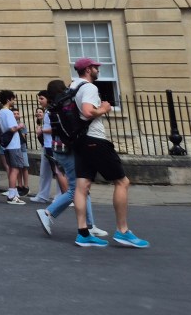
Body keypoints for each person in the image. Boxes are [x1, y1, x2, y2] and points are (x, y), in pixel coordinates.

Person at [71, 58, 149, 248]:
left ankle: (83, 233)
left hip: (79, 141)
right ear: (88, 69)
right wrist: (104, 108)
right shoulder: (88, 88)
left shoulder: (72, 87)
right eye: (96, 67)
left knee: (82, 186)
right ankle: (122, 231)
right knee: (122, 182)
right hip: (95, 140)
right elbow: (88, 112)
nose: (98, 69)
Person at [36, 79, 107, 241]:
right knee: (77, 189)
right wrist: (102, 109)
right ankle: (48, 213)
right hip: (69, 149)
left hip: (58, 148)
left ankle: (90, 225)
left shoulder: (53, 107)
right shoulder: (66, 104)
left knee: (83, 186)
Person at [32, 89, 67, 203]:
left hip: (52, 145)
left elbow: (55, 129)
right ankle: (42, 195)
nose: (39, 101)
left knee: (58, 172)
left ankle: (60, 195)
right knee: (44, 172)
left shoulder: (52, 112)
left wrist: (42, 130)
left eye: (42, 98)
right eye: (39, 98)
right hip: (46, 146)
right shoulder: (47, 111)